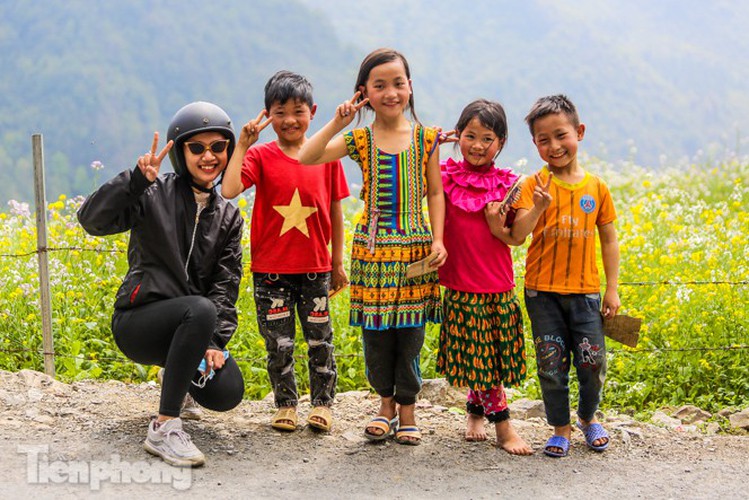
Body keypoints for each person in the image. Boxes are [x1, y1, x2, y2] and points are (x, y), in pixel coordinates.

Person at [77, 101, 246, 467]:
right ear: (179, 151)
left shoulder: (229, 216)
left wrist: (215, 342)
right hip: (138, 323)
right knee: (198, 309)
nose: (209, 156)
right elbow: (91, 220)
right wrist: (135, 182)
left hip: (190, 327)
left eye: (219, 147)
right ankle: (165, 426)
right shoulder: (152, 193)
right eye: (197, 148)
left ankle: (178, 376)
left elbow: (225, 284)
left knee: (228, 391)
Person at [299, 48, 447, 446]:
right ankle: (385, 406)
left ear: (410, 87)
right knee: (377, 336)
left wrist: (438, 238)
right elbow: (307, 156)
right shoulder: (359, 139)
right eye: (379, 85)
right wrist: (337, 121)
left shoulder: (426, 138)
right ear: (363, 92)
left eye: (398, 83)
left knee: (412, 335)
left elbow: (435, 191)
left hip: (416, 249)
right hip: (372, 250)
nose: (391, 92)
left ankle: (408, 410)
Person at [222, 71, 350, 433]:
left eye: (298, 111)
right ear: (267, 114)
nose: (290, 120)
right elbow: (230, 189)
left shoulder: (327, 155)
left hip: (316, 269)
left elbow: (336, 211)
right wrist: (243, 144)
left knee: (320, 341)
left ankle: (323, 404)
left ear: (313, 111)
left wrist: (337, 262)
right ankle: (286, 404)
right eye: (280, 112)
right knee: (278, 344)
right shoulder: (261, 156)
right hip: (271, 271)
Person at [511, 94, 621, 457]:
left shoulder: (597, 188)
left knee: (592, 362)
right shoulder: (533, 184)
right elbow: (520, 233)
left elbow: (609, 240)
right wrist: (540, 206)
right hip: (542, 293)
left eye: (561, 135)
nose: (554, 146)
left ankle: (589, 418)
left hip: (586, 292)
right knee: (551, 364)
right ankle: (560, 427)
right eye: (544, 140)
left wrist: (612, 290)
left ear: (580, 132)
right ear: (535, 144)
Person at [436, 99, 533, 455]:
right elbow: (417, 177)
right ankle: (504, 428)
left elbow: (517, 235)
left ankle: (475, 411)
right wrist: (434, 145)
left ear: (502, 142)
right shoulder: (443, 178)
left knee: (490, 356)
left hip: (498, 284)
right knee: (482, 358)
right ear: (457, 135)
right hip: (463, 285)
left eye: (487, 138)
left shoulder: (511, 185)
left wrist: (530, 209)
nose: (477, 145)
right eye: (469, 135)